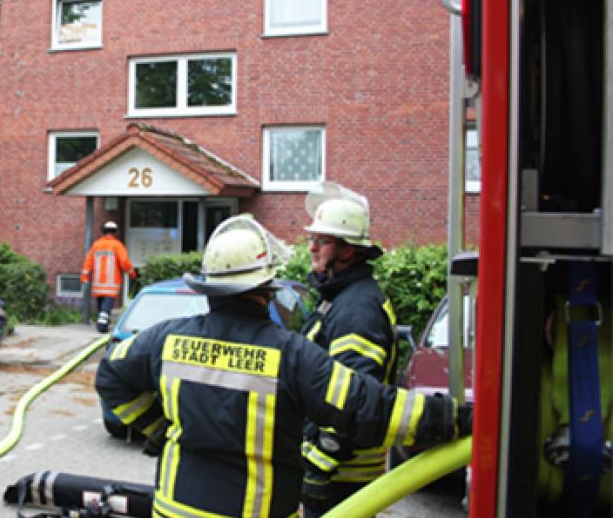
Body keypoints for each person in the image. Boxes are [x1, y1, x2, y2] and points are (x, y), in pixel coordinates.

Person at [95, 216, 472, 518]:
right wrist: (457, 418)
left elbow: (109, 375)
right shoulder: (291, 356)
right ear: (266, 286)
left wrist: (156, 429)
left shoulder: (166, 340)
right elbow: (370, 406)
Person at [297, 182, 397, 517]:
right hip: (335, 472)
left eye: (322, 241)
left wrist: (319, 467)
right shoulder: (339, 298)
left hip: (342, 476)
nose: (312, 248)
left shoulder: (357, 310)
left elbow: (355, 398)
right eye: (312, 239)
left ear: (348, 250)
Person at [81, 221, 136, 332]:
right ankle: (102, 325)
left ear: (103, 231)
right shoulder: (117, 245)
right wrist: (132, 273)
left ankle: (103, 322)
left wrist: (84, 276)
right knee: (106, 307)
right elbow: (124, 261)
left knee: (101, 306)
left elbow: (88, 261)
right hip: (111, 282)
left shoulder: (96, 245)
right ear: (114, 232)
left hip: (98, 282)